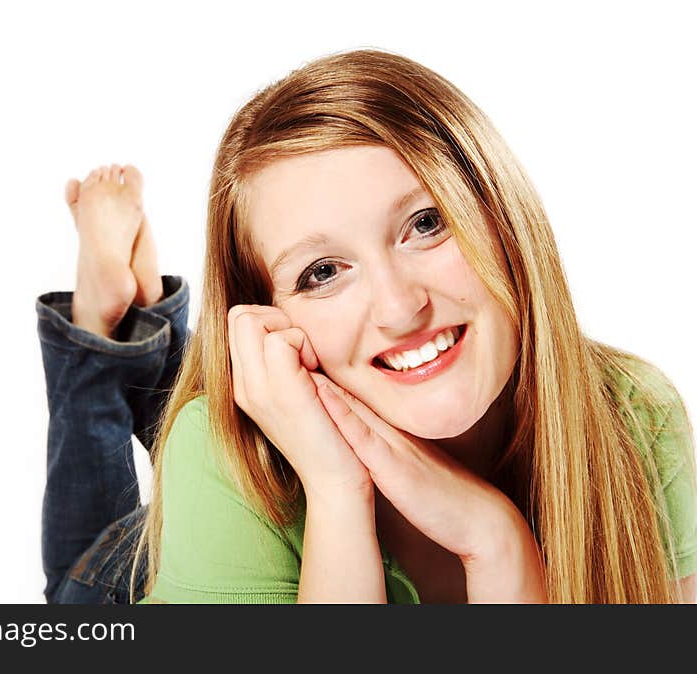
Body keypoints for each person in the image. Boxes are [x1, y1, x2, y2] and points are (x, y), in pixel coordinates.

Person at [36, 49, 697, 603]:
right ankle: (103, 329)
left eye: (427, 224)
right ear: (270, 320)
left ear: (502, 216)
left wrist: (496, 544)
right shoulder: (215, 453)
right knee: (86, 548)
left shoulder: (636, 415)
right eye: (322, 271)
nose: (399, 308)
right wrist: (335, 491)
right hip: (119, 582)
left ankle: (140, 317)